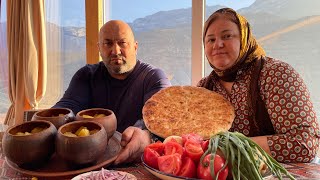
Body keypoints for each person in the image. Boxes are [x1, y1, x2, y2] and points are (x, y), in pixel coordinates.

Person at [197, 8, 320, 163]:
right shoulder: (204, 88)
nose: (218, 44)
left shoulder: (275, 74)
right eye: (211, 40)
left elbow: (305, 143)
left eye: (227, 36)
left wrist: (231, 147)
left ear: (244, 38)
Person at [52, 20, 171, 164]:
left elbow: (162, 118)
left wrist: (146, 134)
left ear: (135, 47)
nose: (115, 51)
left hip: (136, 163)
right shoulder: (86, 75)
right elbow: (66, 107)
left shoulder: (153, 77)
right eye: (108, 43)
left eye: (122, 43)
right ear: (99, 48)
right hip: (88, 162)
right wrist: (47, 123)